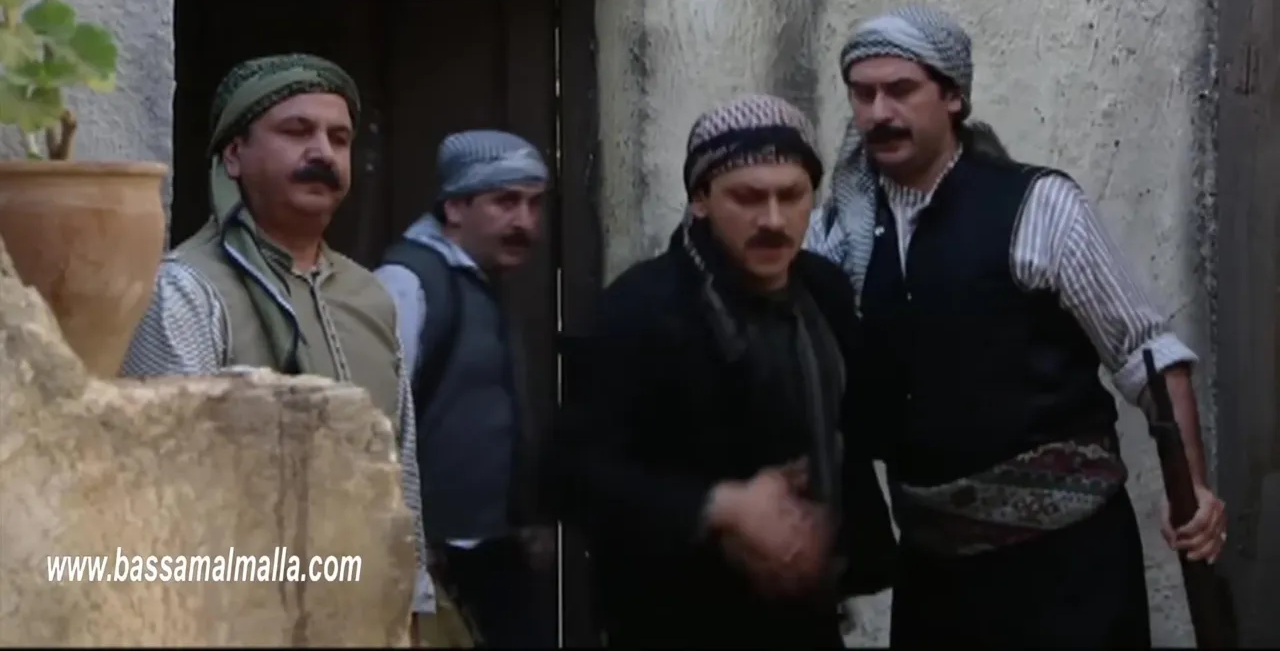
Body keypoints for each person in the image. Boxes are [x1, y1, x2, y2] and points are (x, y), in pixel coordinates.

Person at [806, 6, 1228, 647]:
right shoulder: (836, 234)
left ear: (952, 95)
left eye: (900, 90)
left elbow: (1146, 353)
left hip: (1070, 574)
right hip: (935, 576)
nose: (878, 113)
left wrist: (1190, 486)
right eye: (862, 94)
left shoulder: (1040, 208)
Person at [557, 94, 898, 648]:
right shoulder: (638, 310)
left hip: (807, 614)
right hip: (675, 620)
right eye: (747, 197)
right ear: (700, 200)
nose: (773, 220)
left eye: (791, 196)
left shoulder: (824, 292)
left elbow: (856, 426)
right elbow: (571, 474)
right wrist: (723, 506)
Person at [119, 54, 435, 640]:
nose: (323, 153)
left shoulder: (368, 295)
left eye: (338, 138)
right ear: (233, 156)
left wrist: (410, 606)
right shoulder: (186, 291)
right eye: (296, 131)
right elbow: (164, 488)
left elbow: (401, 468)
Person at [374, 130, 557, 648]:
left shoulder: (484, 280)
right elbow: (376, 422)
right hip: (433, 561)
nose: (525, 222)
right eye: (506, 202)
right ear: (455, 207)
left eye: (534, 204)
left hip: (494, 554)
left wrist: (525, 519)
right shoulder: (408, 282)